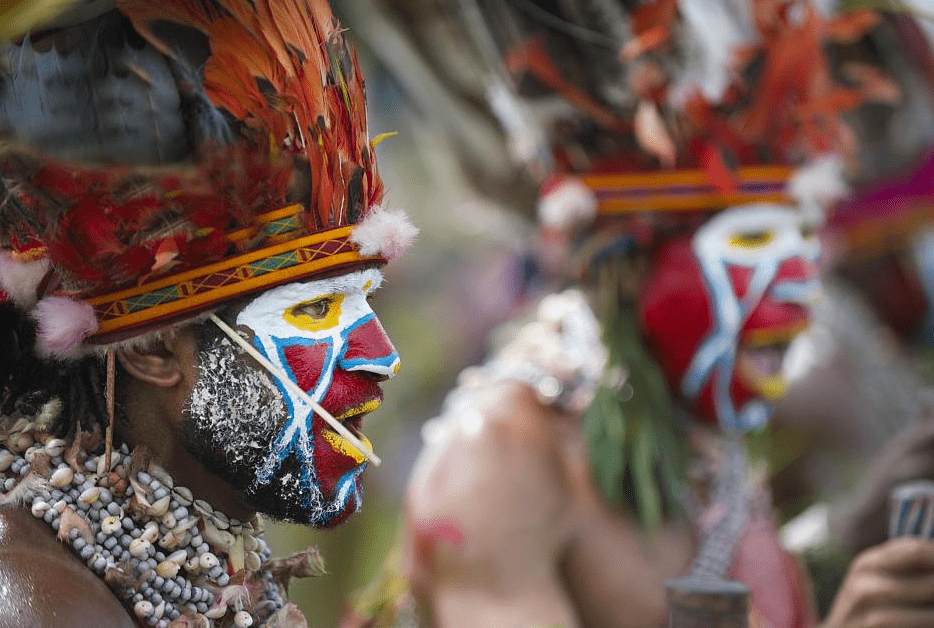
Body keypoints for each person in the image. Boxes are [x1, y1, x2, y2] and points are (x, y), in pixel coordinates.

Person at [337, 0, 900, 626]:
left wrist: (861, 539)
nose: (798, 285)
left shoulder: (699, 429)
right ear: (635, 258)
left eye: (800, 240)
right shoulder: (502, 463)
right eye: (751, 242)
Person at [0, 1, 416, 627]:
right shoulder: (40, 605)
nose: (381, 355)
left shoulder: (209, 571)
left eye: (364, 304)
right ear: (155, 351)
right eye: (313, 309)